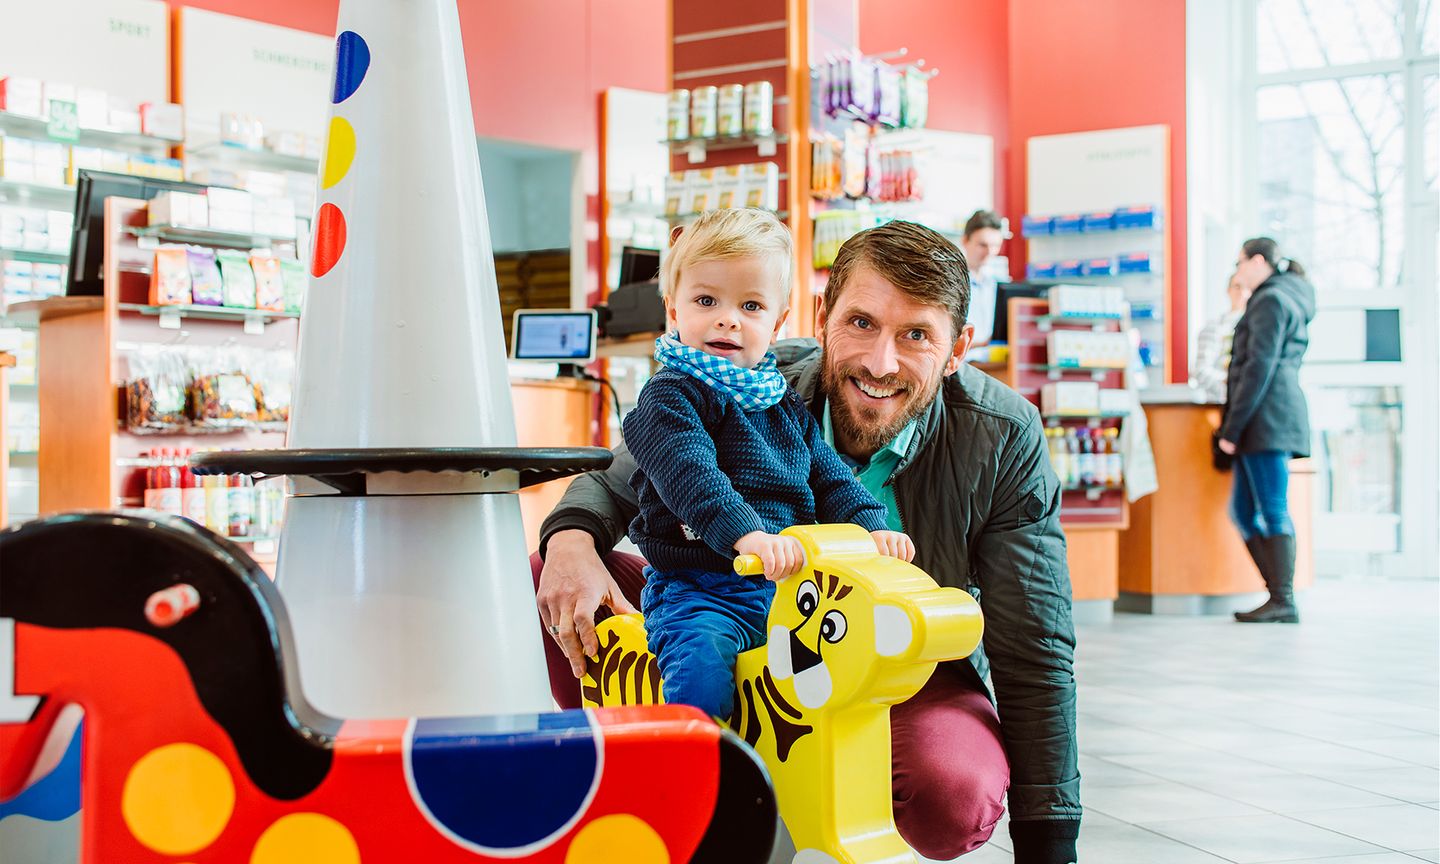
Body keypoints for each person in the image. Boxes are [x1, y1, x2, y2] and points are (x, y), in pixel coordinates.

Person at [534, 220, 1081, 863]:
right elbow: (633, 475)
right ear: (823, 317)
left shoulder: (1001, 433)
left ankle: (743, 758)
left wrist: (1050, 843)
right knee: (552, 569)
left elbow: (1035, 644)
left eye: (916, 335)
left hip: (893, 656)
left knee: (951, 795)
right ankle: (670, 768)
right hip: (722, 591)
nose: (880, 363)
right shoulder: (743, 377)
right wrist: (570, 543)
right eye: (861, 323)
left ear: (958, 347)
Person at [620, 208, 913, 719]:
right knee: (702, 671)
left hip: (786, 587)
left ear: (777, 323)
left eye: (750, 305)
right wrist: (746, 534)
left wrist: (872, 527)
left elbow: (828, 476)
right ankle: (699, 754)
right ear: (673, 309)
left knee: (826, 683)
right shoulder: (669, 396)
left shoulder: (780, 402)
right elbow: (692, 476)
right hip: (701, 587)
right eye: (706, 300)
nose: (728, 318)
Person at [1217, 237, 1315, 624]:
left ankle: (1283, 599)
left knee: (1273, 509)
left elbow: (1258, 367)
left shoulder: (1271, 300)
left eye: (1240, 262)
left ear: (1258, 261)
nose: (1238, 270)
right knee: (1243, 511)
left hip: (1267, 419)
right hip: (1266, 418)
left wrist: (1231, 429)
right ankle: (1277, 595)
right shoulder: (1280, 296)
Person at [1189, 274, 1253, 402]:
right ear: (1228, 290)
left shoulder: (1256, 328)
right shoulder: (1213, 328)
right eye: (1237, 287)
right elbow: (1201, 371)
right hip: (1218, 403)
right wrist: (1230, 384)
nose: (1242, 293)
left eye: (1247, 288)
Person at [959, 209, 1005, 361]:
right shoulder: (952, 283)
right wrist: (984, 343)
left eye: (995, 245)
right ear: (965, 241)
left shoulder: (997, 284)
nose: (990, 252)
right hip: (961, 366)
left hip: (994, 366)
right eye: (983, 245)